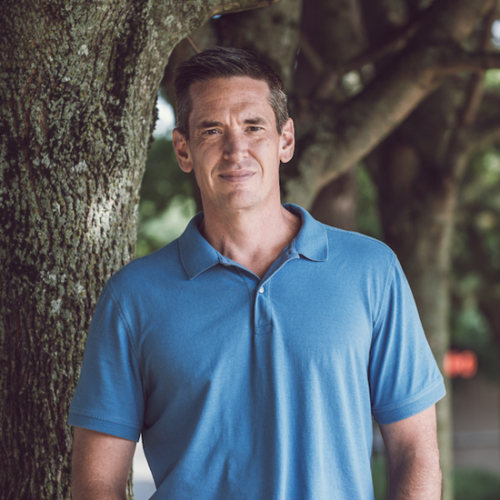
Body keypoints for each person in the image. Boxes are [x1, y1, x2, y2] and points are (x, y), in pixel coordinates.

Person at [69, 46, 445, 500]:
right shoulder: (133, 297)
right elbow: (96, 483)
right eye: (212, 130)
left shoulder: (371, 271)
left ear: (285, 140)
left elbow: (415, 453)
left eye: (254, 127)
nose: (236, 149)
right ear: (184, 149)